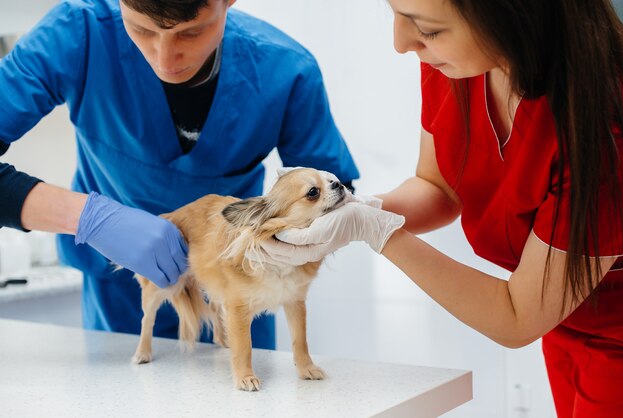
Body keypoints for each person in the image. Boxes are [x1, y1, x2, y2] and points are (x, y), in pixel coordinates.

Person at [260, 0, 623, 415]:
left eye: (428, 30)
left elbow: (517, 317)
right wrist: (348, 211)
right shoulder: (458, 64)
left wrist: (375, 230)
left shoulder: (604, 127)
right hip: (564, 319)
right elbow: (439, 188)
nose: (400, 43)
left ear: (515, 16)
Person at [0, 0, 359, 350]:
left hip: (239, 285)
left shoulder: (286, 69)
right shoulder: (77, 34)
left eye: (192, 33)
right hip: (122, 294)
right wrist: (88, 218)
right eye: (141, 29)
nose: (164, 59)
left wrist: (290, 246)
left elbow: (335, 198)